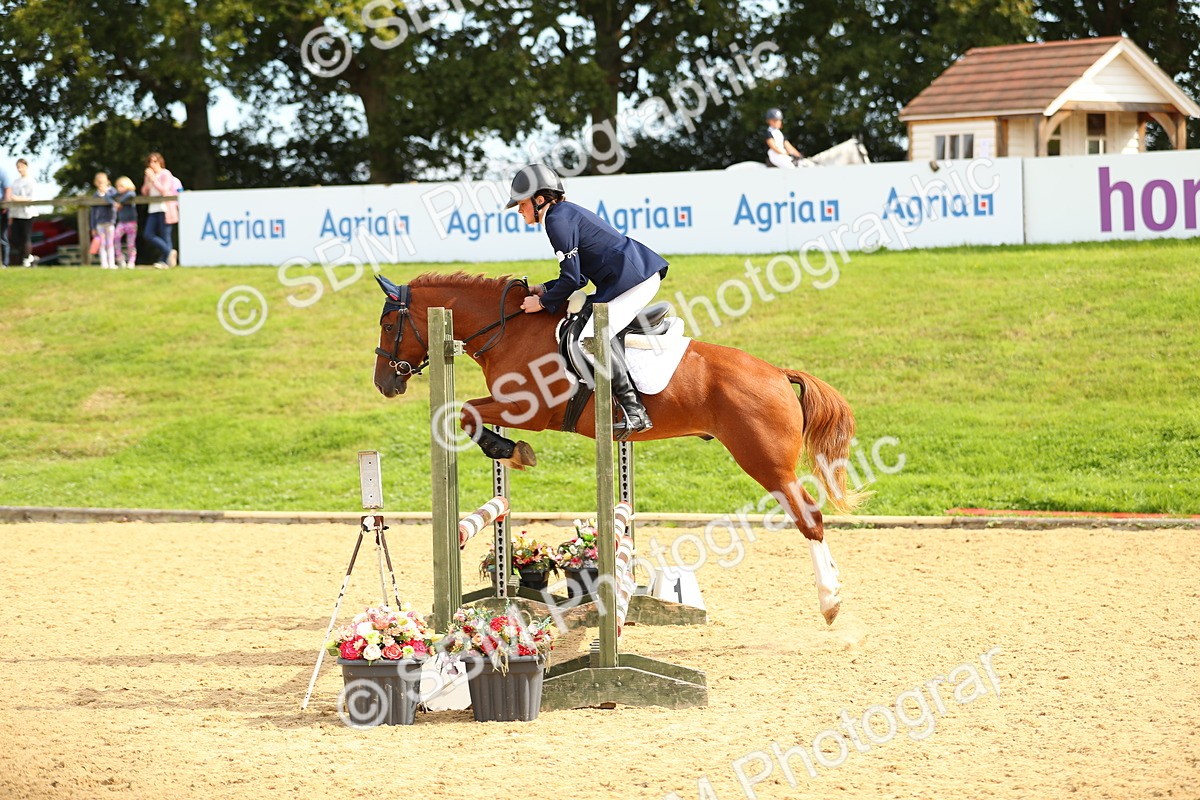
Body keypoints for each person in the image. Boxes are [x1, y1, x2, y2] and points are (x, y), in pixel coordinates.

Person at [508, 163, 668, 436]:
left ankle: (635, 411)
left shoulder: (557, 221)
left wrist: (543, 303)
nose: (519, 211)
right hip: (626, 277)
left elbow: (572, 280)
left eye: (521, 205)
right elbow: (579, 277)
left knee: (590, 339)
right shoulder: (561, 214)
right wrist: (544, 289)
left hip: (633, 280)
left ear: (539, 199)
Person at [141, 152, 180, 268]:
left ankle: (165, 261)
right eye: (150, 162)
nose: (152, 164)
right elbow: (144, 192)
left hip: (165, 208)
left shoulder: (165, 174)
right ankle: (169, 252)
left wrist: (153, 179)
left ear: (160, 162)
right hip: (153, 208)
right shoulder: (149, 176)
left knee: (165, 236)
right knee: (148, 234)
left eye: (154, 161)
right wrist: (148, 181)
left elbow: (164, 190)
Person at [8, 158, 38, 267]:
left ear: (26, 166)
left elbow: (31, 198)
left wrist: (17, 198)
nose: (19, 169)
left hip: (27, 213)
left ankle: (26, 259)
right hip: (15, 213)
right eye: (18, 167)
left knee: (26, 237)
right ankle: (30, 257)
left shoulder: (31, 181)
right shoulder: (15, 182)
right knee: (15, 238)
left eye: (21, 166)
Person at [90, 172, 119, 269]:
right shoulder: (95, 195)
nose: (101, 184)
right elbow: (93, 213)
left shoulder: (112, 191)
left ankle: (112, 263)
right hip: (100, 223)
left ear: (107, 182)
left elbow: (114, 199)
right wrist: (93, 227)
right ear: (96, 183)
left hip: (110, 222)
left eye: (103, 182)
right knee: (102, 244)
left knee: (110, 243)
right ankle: (104, 263)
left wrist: (106, 193)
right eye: (99, 182)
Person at [113, 176, 138, 268]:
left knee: (131, 243)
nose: (119, 188)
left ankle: (131, 261)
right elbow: (108, 196)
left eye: (121, 186)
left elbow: (131, 194)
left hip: (131, 222)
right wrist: (114, 203)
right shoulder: (118, 195)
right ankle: (120, 258)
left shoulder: (130, 194)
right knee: (115, 238)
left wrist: (120, 203)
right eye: (118, 186)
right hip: (122, 222)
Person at [0, 162, 10, 268]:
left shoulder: (2, 171)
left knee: (2, 236)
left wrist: (5, 205)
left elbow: (7, 189)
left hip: (1, 208)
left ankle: (4, 263)